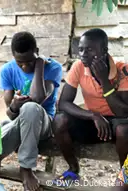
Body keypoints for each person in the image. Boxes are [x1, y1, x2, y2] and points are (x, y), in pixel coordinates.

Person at [52, 28, 128, 188]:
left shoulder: (122, 71)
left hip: (117, 124)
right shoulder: (78, 67)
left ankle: (125, 175)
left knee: (124, 130)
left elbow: (123, 112)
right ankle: (73, 169)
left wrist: (104, 81)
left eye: (89, 49)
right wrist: (93, 115)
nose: (83, 54)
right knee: (59, 120)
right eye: (80, 49)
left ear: (104, 50)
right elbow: (63, 103)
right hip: (94, 122)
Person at [0, 31, 63, 191]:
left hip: (44, 123)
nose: (25, 66)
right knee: (5, 123)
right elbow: (11, 112)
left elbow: (38, 98)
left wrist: (40, 65)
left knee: (30, 107)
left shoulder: (52, 67)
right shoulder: (7, 70)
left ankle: (25, 168)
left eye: (30, 61)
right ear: (13, 56)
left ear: (37, 51)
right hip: (20, 123)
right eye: (20, 63)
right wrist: (14, 104)